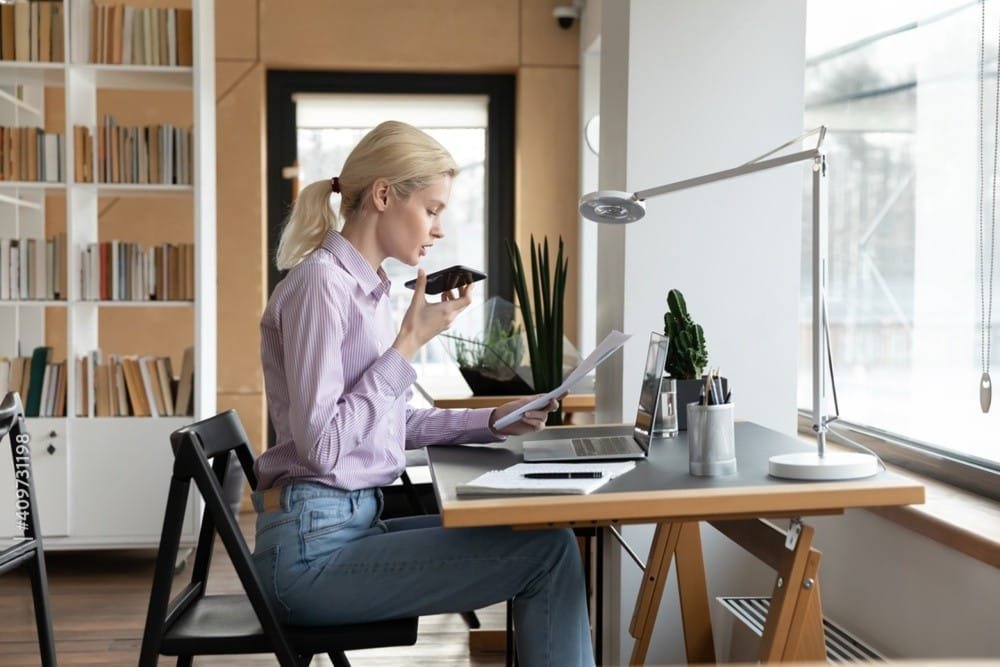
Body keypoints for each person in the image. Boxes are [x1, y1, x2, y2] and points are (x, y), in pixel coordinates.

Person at [251, 120, 595, 666]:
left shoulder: (368, 290)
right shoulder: (322, 285)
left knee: (536, 530)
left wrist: (494, 421)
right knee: (548, 554)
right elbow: (322, 448)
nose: (438, 229)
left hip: (347, 525)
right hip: (310, 558)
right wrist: (407, 344)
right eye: (432, 209)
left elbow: (387, 421)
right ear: (384, 195)